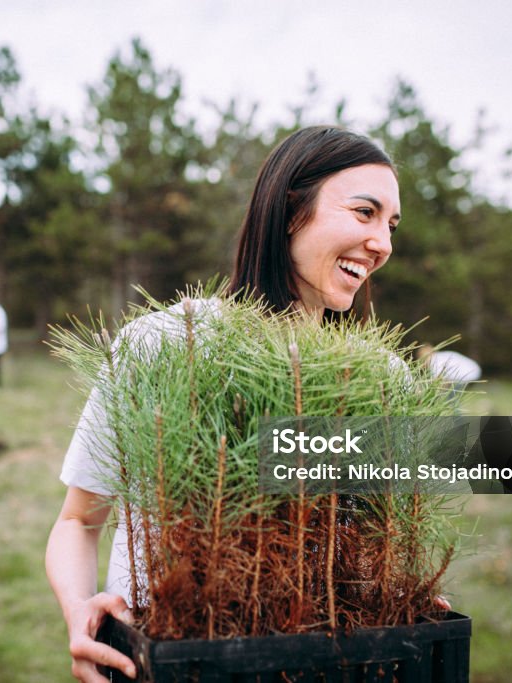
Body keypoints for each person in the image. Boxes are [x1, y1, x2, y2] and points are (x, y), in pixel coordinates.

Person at [45, 126, 400, 682]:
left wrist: (404, 601)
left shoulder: (381, 378)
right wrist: (78, 613)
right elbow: (78, 521)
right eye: (364, 213)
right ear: (289, 211)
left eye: (390, 225)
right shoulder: (166, 345)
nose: (383, 243)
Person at [417, 344, 481, 392]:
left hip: (466, 375)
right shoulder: (441, 356)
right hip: (473, 370)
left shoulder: (435, 361)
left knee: (450, 397)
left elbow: (439, 380)